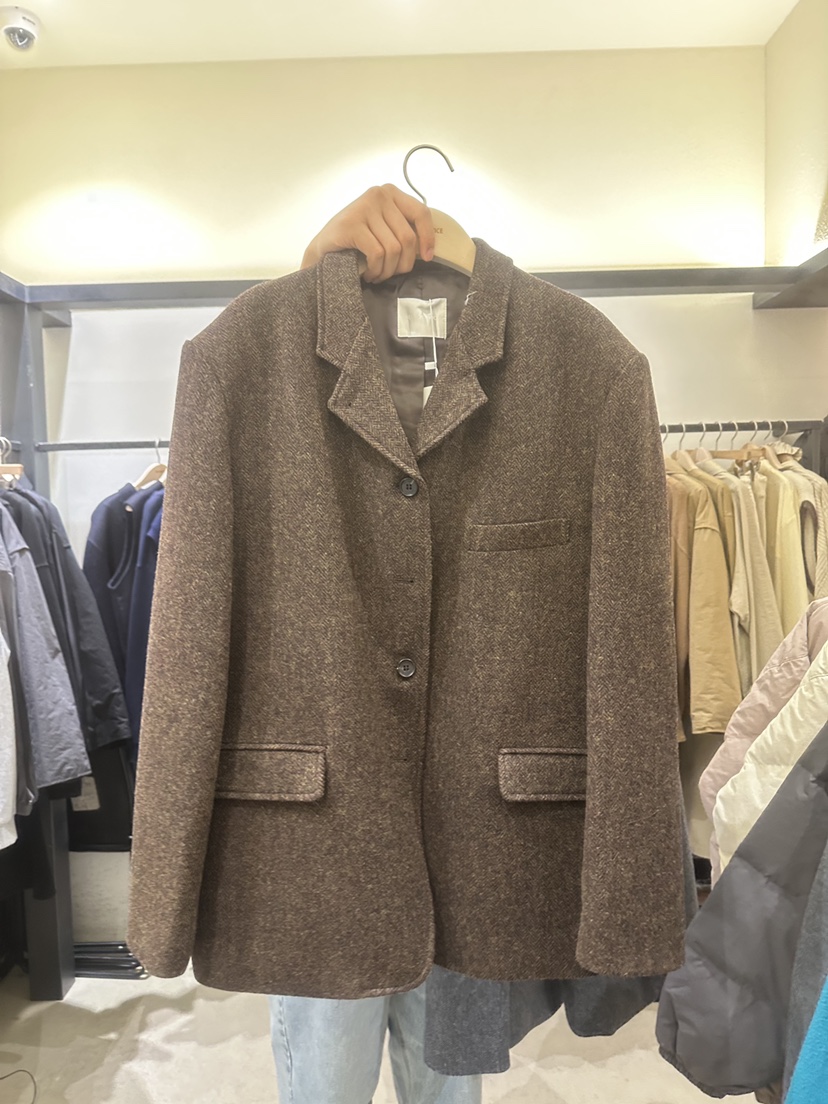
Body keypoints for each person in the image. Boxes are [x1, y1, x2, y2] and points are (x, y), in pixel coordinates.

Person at [266, 184, 482, 1104]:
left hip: (465, 828)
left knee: (449, 1083)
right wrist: (304, 277)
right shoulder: (272, 376)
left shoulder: (531, 378)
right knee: (325, 1075)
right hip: (323, 829)